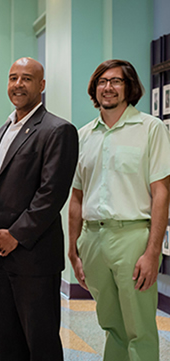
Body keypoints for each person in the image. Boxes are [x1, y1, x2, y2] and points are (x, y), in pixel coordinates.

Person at [68, 59, 170, 361]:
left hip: (133, 238)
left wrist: (153, 252)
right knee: (111, 325)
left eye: (116, 81)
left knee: (139, 329)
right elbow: (76, 197)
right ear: (94, 89)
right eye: (102, 81)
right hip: (93, 240)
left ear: (130, 88)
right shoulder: (84, 135)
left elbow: (161, 193)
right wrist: (73, 250)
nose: (108, 87)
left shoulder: (150, 129)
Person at [0, 57, 78, 361]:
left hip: (34, 259)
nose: (18, 84)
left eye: (27, 78)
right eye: (13, 78)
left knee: (42, 345)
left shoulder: (57, 130)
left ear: (42, 85)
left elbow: (51, 195)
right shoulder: (2, 130)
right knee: (8, 344)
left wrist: (15, 236)